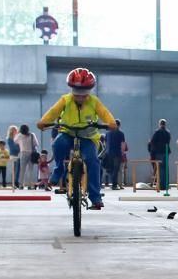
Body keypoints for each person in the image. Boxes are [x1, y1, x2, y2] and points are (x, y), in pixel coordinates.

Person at [36, 67, 117, 210]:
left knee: (93, 161)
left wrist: (111, 123)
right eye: (77, 95)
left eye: (83, 95)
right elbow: (53, 111)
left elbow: (105, 113)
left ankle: (95, 198)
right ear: (72, 91)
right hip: (68, 132)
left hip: (88, 136)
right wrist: (43, 121)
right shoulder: (65, 100)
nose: (80, 98)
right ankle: (59, 169)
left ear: (89, 92)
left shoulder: (94, 101)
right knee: (58, 144)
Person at [148, 119, 171, 190]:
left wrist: (151, 151)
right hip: (166, 152)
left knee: (160, 169)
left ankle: (161, 185)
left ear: (159, 124)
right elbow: (168, 142)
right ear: (165, 124)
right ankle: (166, 185)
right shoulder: (168, 132)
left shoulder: (157, 132)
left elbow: (152, 142)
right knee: (166, 168)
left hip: (159, 152)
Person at [16, 124, 40, 189]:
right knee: (30, 170)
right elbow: (36, 144)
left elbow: (15, 142)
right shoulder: (32, 135)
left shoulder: (19, 136)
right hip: (31, 153)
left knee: (22, 170)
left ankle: (21, 185)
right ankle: (30, 185)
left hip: (23, 153)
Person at [105, 119, 127, 190]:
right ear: (119, 125)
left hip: (109, 153)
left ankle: (112, 183)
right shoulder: (121, 133)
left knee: (111, 169)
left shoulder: (108, 133)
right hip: (117, 153)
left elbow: (105, 143)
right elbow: (123, 144)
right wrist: (123, 153)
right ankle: (114, 185)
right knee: (116, 169)